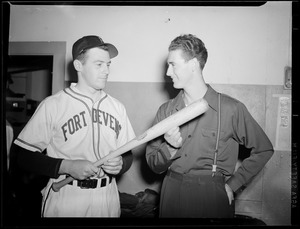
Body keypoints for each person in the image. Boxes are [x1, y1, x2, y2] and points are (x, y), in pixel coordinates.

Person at [145, 34, 274, 218]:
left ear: (194, 65)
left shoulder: (230, 109)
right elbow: (153, 165)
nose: (167, 72)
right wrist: (170, 148)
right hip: (171, 193)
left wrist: (233, 184)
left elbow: (264, 149)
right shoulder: (166, 111)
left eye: (173, 64)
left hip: (211, 195)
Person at [12, 35, 136, 217]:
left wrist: (121, 164)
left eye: (108, 65)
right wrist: (67, 166)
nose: (106, 71)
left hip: (107, 196)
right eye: (99, 64)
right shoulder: (53, 104)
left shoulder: (117, 107)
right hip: (66, 195)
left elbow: (128, 154)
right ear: (79, 66)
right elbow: (23, 157)